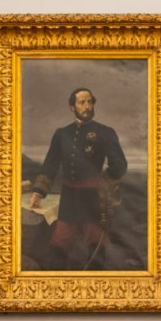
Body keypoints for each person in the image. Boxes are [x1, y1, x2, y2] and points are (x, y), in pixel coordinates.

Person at [29, 87, 128, 270]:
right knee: (59, 244)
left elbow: (120, 165)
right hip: (68, 199)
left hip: (93, 199)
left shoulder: (105, 132)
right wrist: (38, 192)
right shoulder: (61, 134)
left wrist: (104, 181)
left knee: (95, 246)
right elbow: (50, 164)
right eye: (82, 102)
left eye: (90, 102)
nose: (87, 106)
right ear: (71, 106)